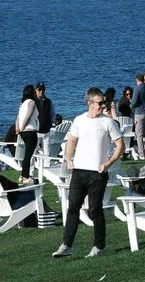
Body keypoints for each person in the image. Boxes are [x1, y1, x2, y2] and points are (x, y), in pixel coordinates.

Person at [51, 88, 122, 258]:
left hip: (98, 173)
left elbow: (120, 146)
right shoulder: (79, 120)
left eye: (104, 103)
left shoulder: (108, 122)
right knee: (73, 207)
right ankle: (67, 245)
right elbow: (72, 141)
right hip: (79, 172)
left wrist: (108, 163)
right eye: (99, 103)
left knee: (94, 210)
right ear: (90, 103)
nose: (102, 106)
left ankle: (99, 247)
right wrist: (69, 159)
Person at [13, 85, 45, 174]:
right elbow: (28, 116)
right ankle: (25, 175)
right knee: (28, 155)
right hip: (30, 131)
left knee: (27, 154)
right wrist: (22, 128)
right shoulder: (32, 102)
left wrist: (17, 127)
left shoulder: (22, 103)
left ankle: (24, 175)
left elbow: (18, 117)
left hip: (22, 132)